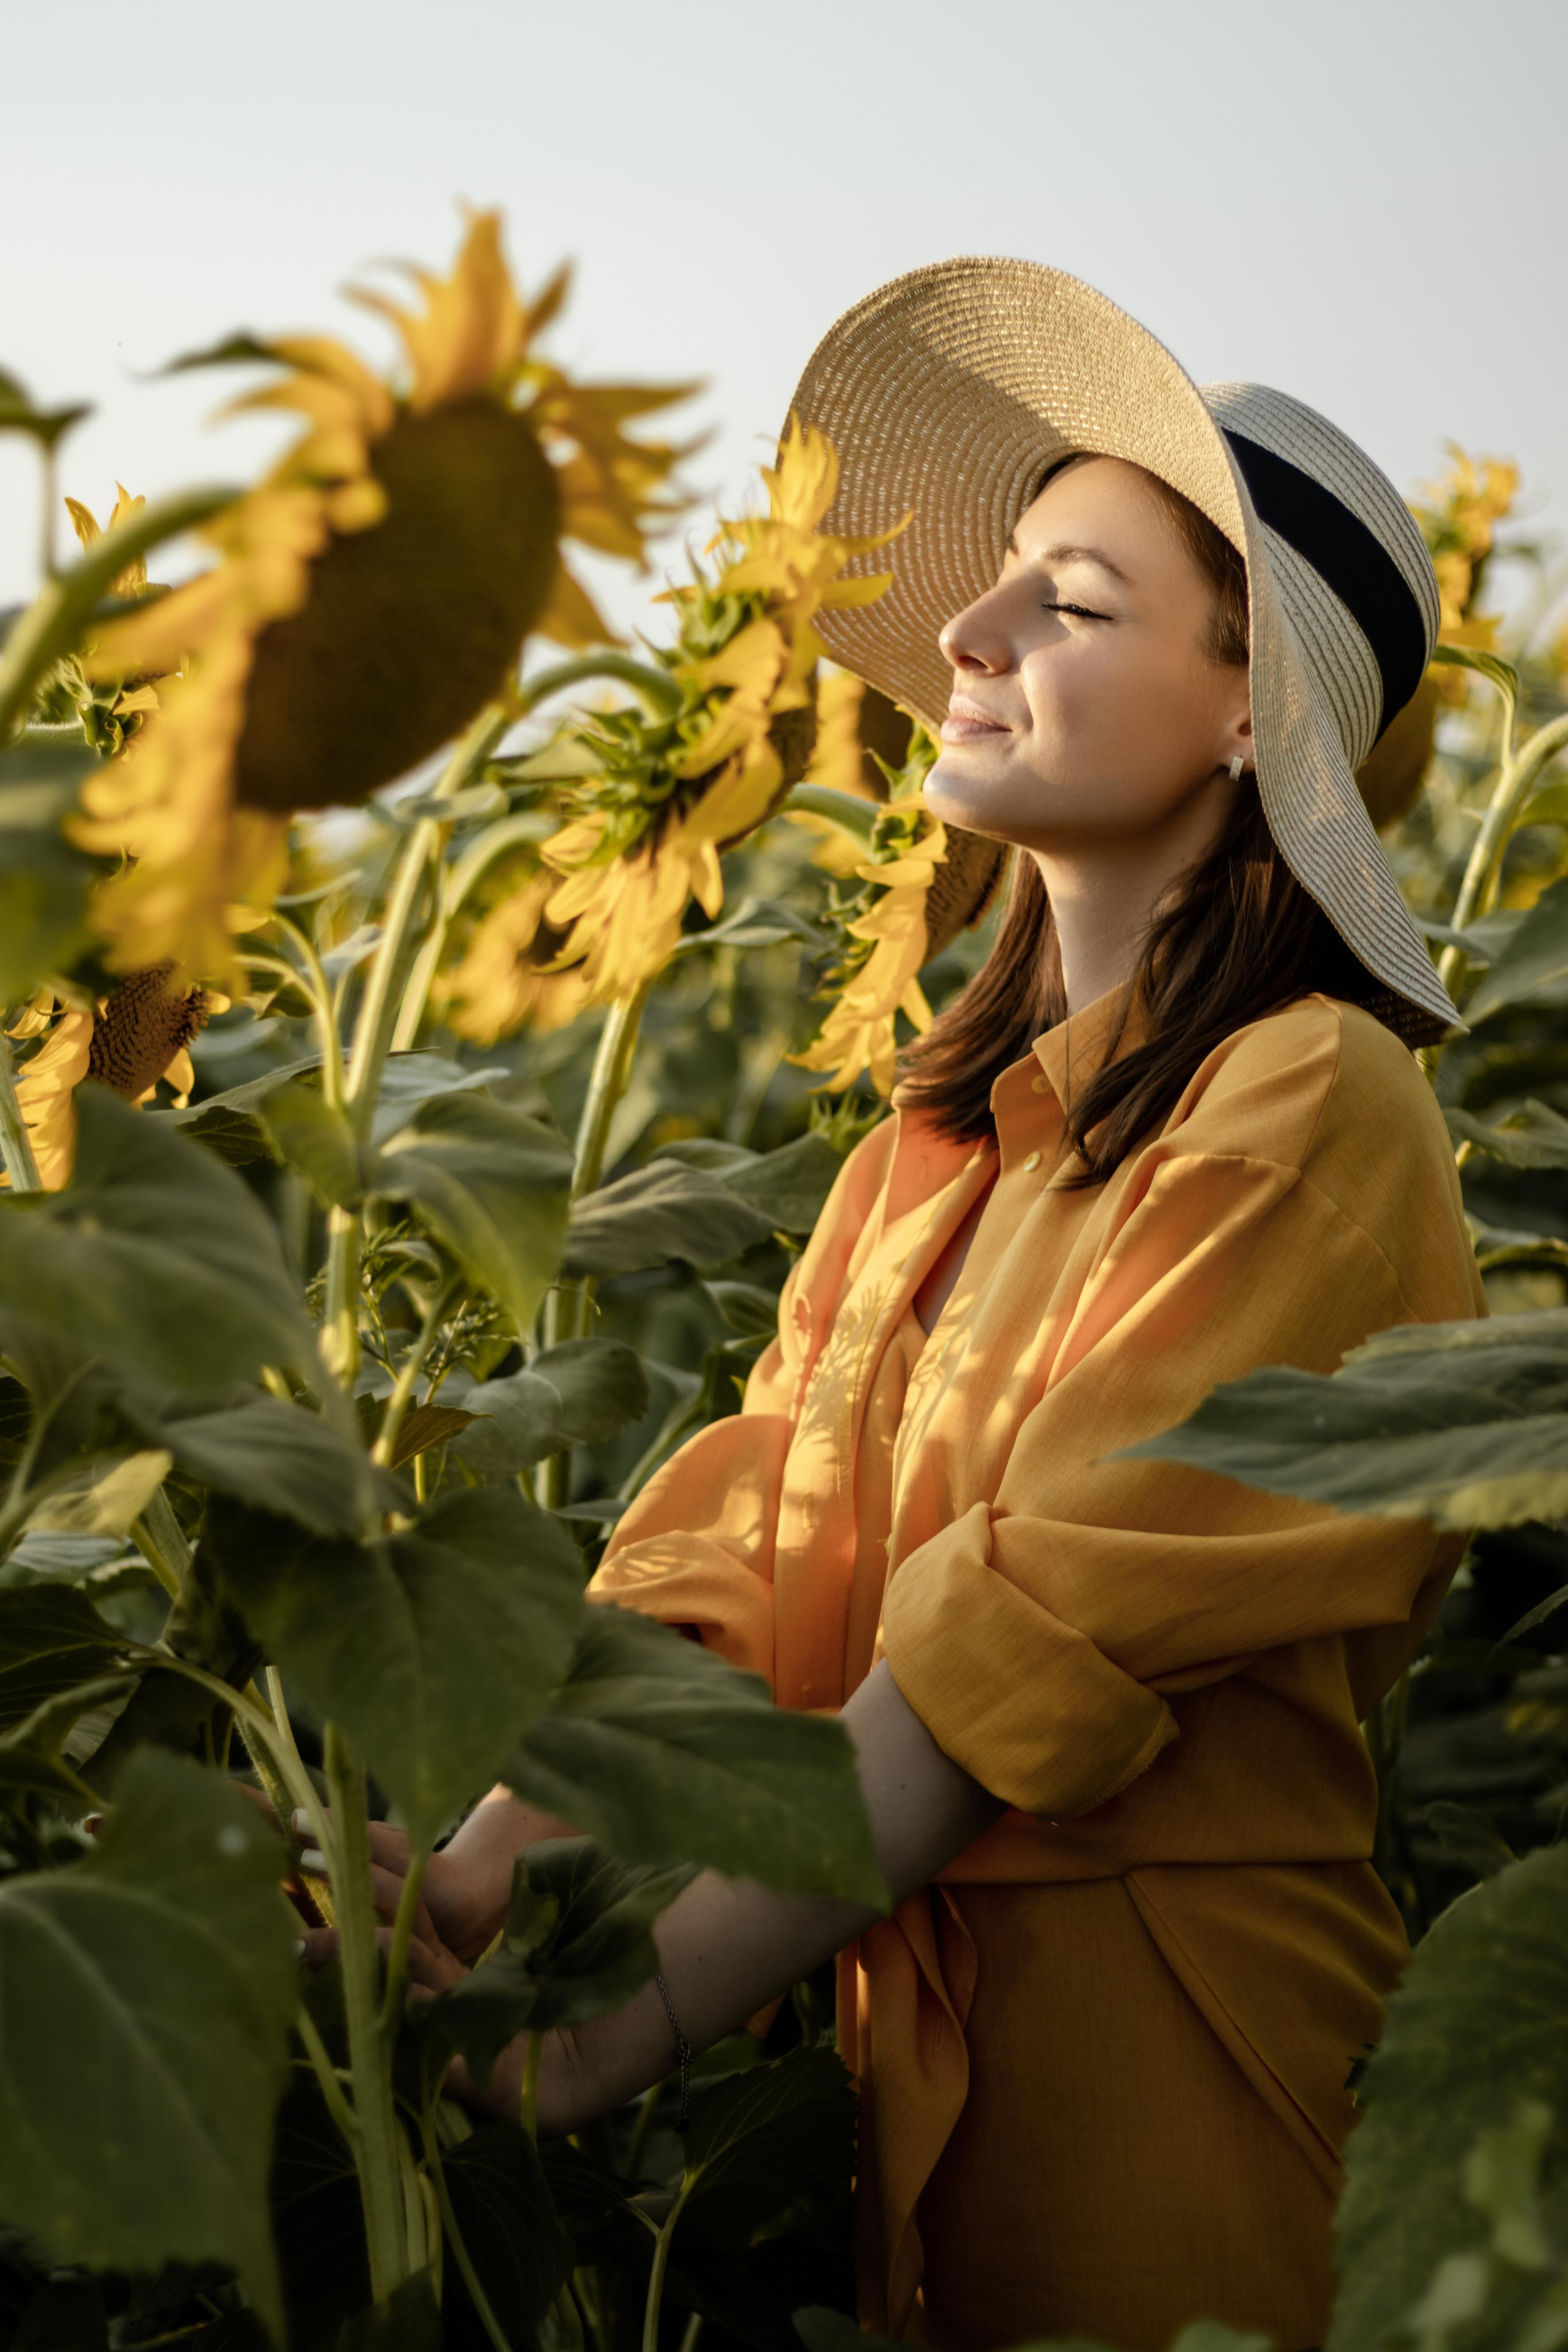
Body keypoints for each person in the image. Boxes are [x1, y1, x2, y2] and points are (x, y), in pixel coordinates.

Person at [334, 262, 1486, 2351]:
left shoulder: (1318, 1105)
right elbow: (763, 1560)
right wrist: (490, 1853)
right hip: (910, 2084)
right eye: (997, 583)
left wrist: (620, 2025)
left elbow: (1006, 1662)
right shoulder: (932, 1145)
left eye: (1072, 598)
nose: (966, 634)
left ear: (1251, 717)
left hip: (1175, 2105)